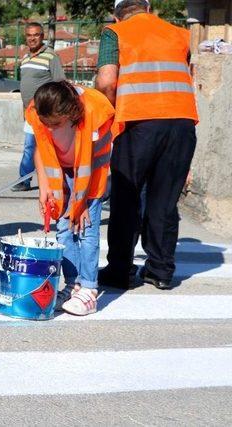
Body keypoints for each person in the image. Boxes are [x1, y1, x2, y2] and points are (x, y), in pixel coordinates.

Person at [95, 0, 198, 290]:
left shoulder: (115, 33)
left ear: (117, 14)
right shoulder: (180, 33)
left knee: (126, 197)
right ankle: (161, 271)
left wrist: (104, 117)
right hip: (182, 123)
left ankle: (120, 270)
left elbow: (106, 82)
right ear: (148, 8)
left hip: (138, 123)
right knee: (165, 200)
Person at [29, 81, 115, 316]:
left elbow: (94, 165)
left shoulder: (94, 118)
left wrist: (83, 203)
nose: (50, 128)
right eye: (46, 123)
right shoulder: (44, 113)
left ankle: (89, 289)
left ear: (70, 113)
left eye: (55, 124)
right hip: (63, 173)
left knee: (86, 230)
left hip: (90, 180)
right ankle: (72, 285)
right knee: (64, 229)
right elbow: (41, 148)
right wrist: (44, 185)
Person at [12, 22, 66, 192]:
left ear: (42, 36)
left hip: (46, 112)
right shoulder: (25, 58)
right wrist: (24, 109)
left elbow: (60, 83)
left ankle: (57, 181)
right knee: (29, 146)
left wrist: (56, 110)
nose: (32, 38)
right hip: (29, 113)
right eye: (29, 35)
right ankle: (24, 180)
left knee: (49, 148)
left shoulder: (51, 56)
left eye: (36, 35)